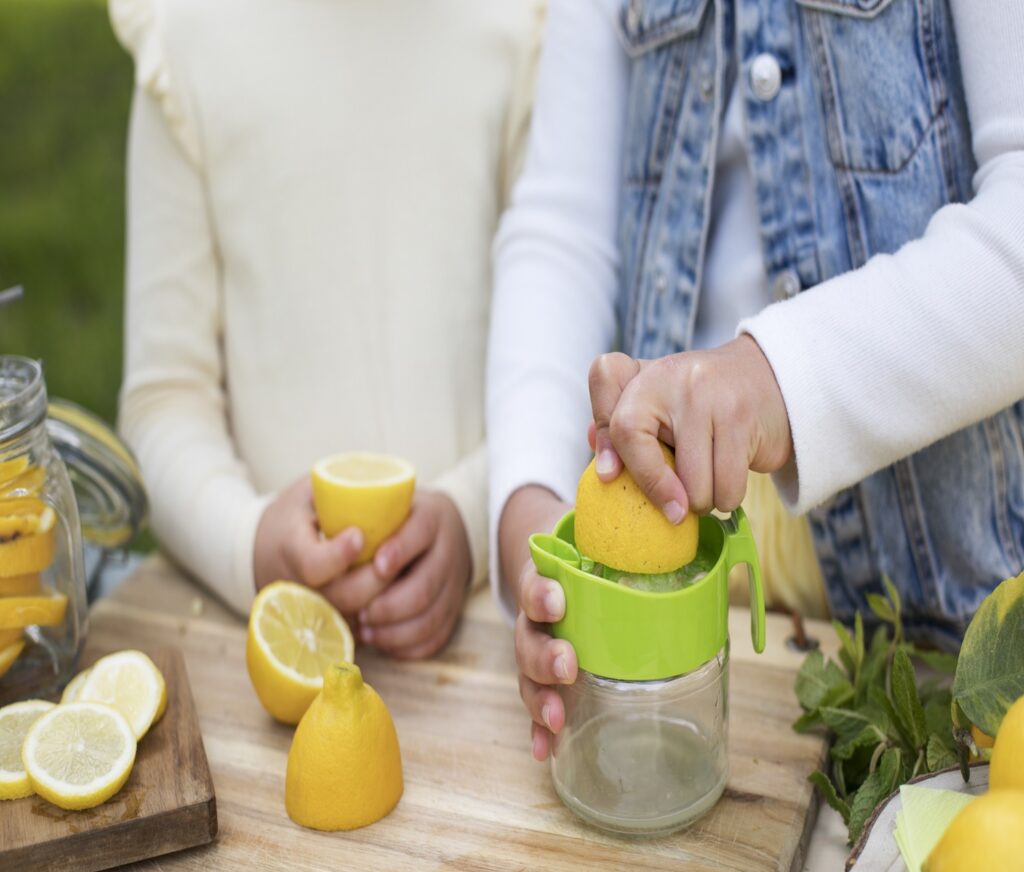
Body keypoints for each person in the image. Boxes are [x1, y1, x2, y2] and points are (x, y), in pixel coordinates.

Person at [487, 0, 1024, 760]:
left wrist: (773, 374)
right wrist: (533, 527)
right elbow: (561, 230)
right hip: (658, 565)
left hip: (937, 636)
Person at [111, 0, 543, 658]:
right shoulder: (188, 31)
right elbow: (163, 397)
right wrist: (247, 544)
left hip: (489, 637)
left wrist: (471, 520)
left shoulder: (521, 26)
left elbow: (559, 360)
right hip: (256, 652)